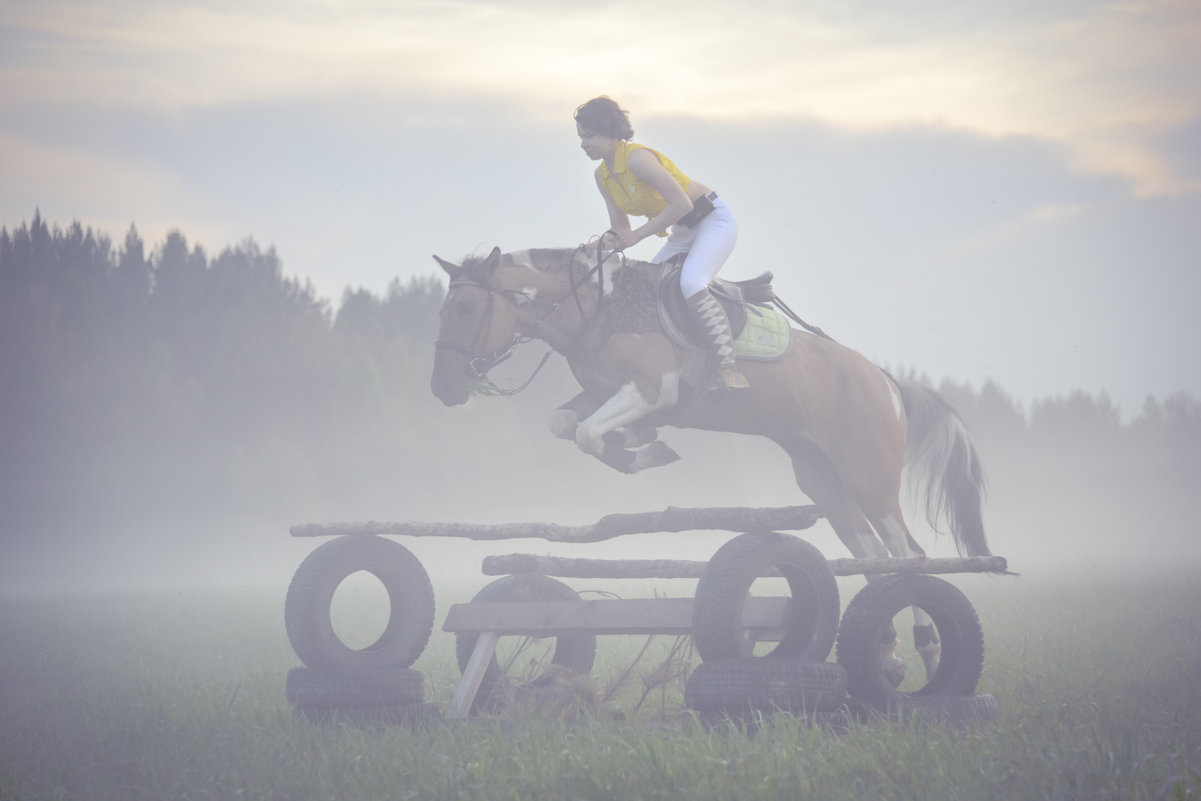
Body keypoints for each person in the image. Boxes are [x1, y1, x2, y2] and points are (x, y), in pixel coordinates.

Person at [574, 95, 748, 392]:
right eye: (580, 137)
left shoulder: (638, 159)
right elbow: (620, 229)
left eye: (589, 136)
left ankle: (728, 370)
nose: (583, 144)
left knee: (692, 283)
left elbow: (681, 204)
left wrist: (638, 236)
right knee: (644, 290)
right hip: (681, 232)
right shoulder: (602, 176)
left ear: (611, 133)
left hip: (712, 221)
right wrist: (600, 246)